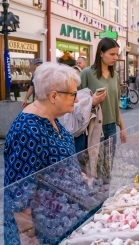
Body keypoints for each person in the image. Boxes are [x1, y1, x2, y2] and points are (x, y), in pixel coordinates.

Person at [4, 62, 81, 244]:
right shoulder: (27, 130)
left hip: (61, 223)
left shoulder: (52, 119)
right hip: (41, 234)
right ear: (53, 96)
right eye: (73, 94)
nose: (76, 100)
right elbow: (19, 199)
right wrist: (29, 239)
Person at [80, 37, 127, 145]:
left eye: (116, 54)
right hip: (93, 126)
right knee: (95, 162)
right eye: (112, 54)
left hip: (111, 127)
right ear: (101, 53)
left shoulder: (115, 75)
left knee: (109, 161)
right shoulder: (87, 73)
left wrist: (122, 128)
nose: (115, 57)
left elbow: (116, 104)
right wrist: (92, 101)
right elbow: (75, 101)